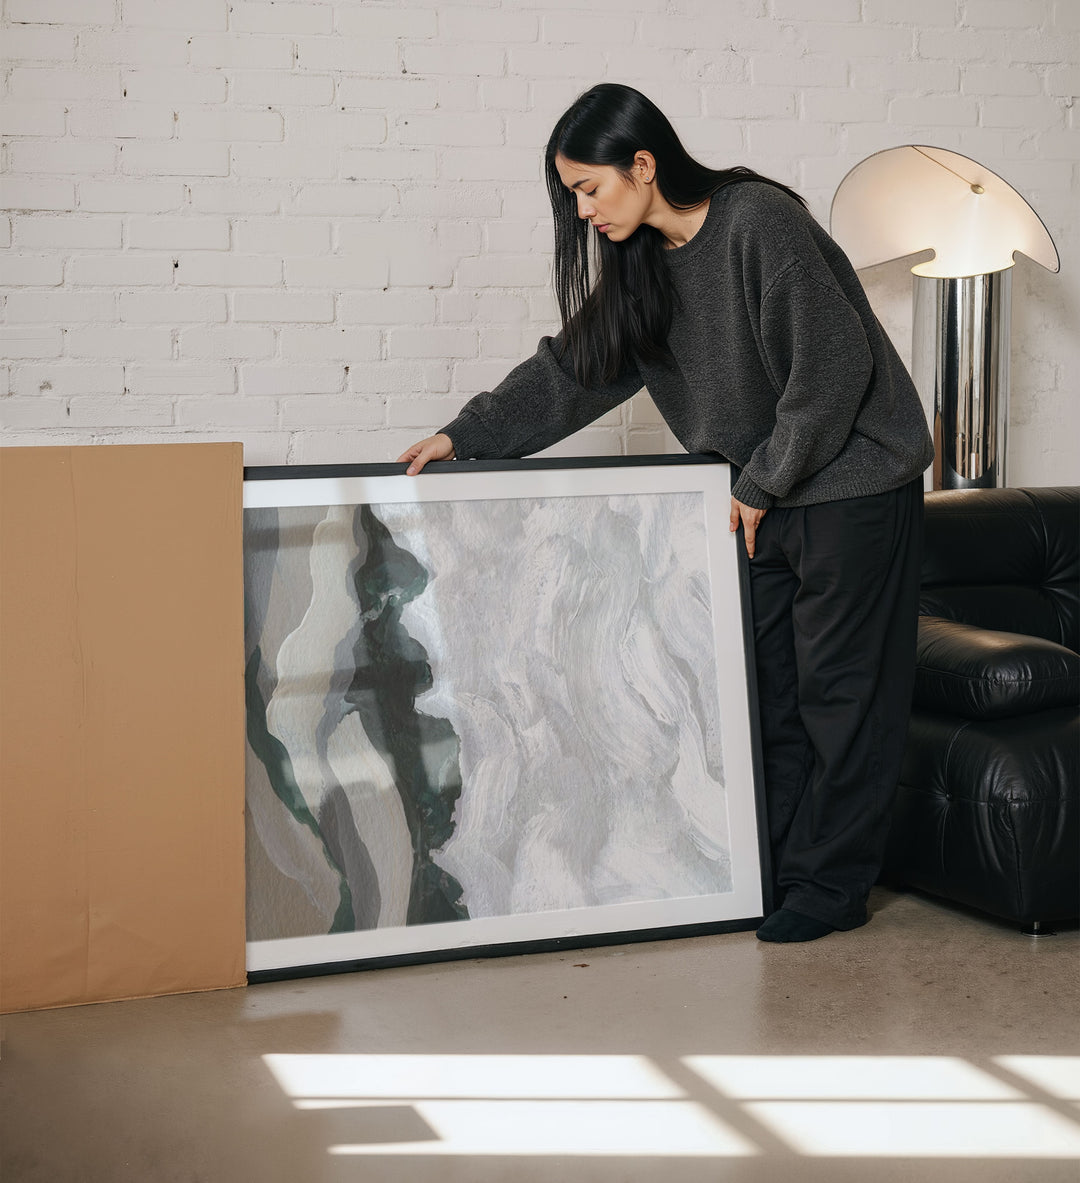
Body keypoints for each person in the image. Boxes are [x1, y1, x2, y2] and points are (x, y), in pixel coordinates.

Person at [398, 83, 934, 943]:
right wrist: (469, 435)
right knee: (766, 697)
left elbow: (831, 371)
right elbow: (575, 369)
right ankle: (776, 873)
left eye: (590, 189)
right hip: (762, 493)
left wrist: (762, 481)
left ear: (643, 165)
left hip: (850, 480)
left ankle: (829, 888)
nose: (582, 212)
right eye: (571, 195)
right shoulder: (643, 263)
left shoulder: (758, 222)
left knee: (844, 696)